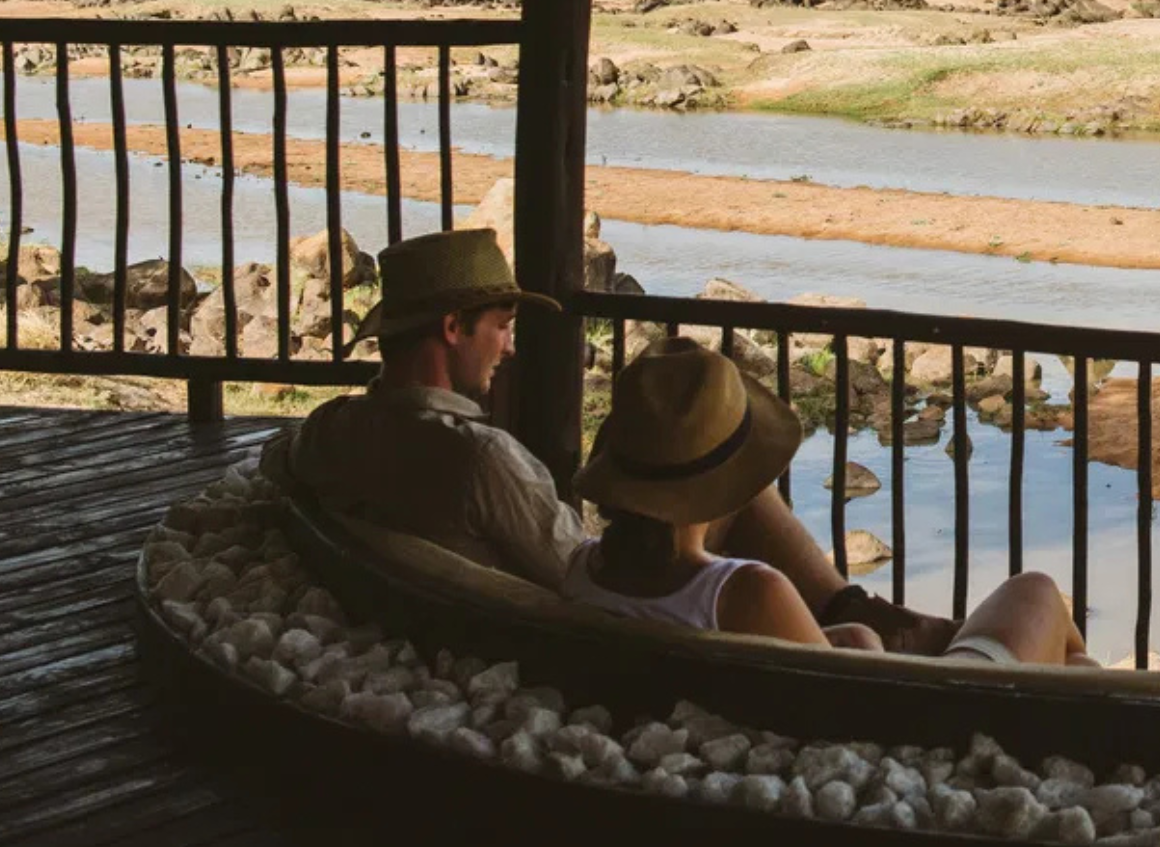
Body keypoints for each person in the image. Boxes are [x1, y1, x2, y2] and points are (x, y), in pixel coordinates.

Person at [272, 228, 955, 652]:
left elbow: (281, 459)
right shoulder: (480, 459)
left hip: (456, 611)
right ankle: (865, 618)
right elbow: (578, 574)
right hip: (588, 634)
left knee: (703, 482)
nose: (509, 348)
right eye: (502, 326)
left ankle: (861, 614)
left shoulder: (332, 429)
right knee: (733, 482)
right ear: (454, 328)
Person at [566, 335, 1094, 668]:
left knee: (1065, 654)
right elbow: (854, 704)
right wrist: (865, 643)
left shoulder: (582, 573)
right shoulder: (747, 592)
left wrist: (855, 636)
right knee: (1038, 595)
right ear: (725, 488)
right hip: (941, 731)